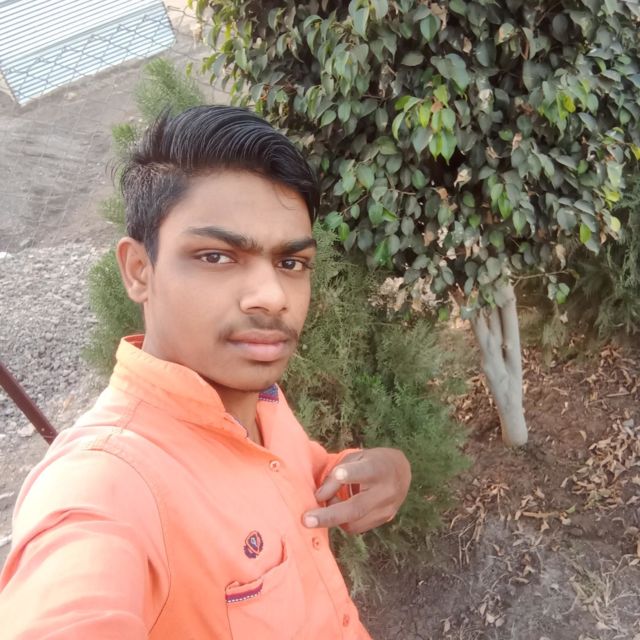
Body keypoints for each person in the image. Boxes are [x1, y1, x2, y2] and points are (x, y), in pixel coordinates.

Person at [0, 105, 411, 639]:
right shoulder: (105, 485)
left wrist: (381, 469)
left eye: (291, 263)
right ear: (138, 271)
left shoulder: (259, 400)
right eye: (216, 256)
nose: (272, 296)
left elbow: (297, 477)